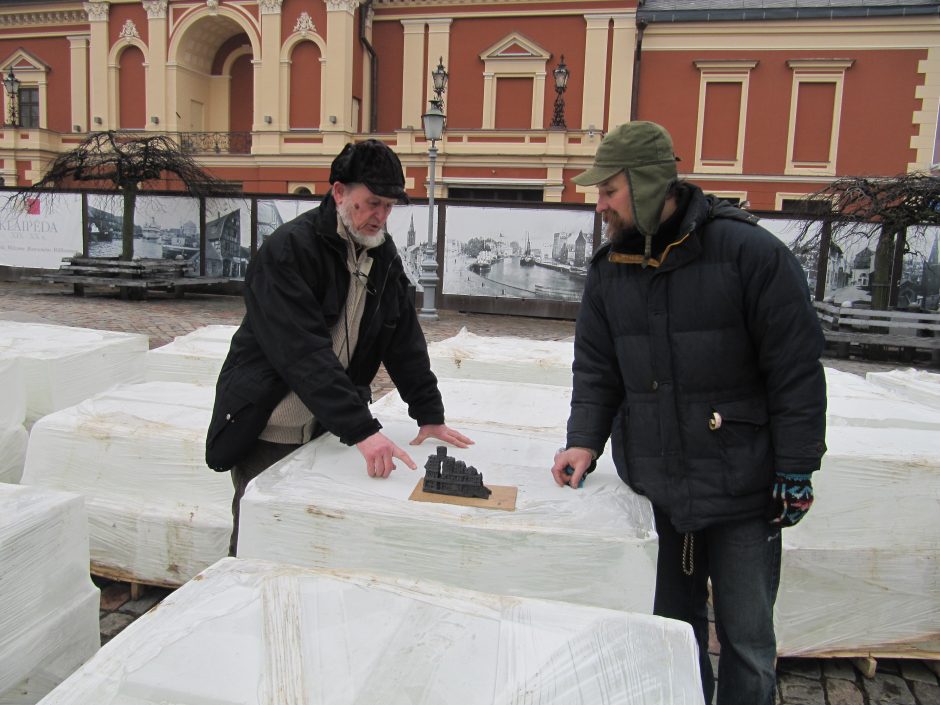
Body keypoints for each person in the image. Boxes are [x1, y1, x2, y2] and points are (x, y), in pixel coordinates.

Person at [551, 121, 826, 705]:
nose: (597, 204)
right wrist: (584, 441)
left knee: (748, 643)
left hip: (743, 489)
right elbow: (598, 369)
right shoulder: (609, 268)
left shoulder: (751, 254)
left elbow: (796, 369)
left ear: (650, 184)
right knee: (673, 637)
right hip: (663, 489)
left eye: (609, 191)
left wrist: (797, 467)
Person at [206, 138, 472, 555]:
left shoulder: (382, 255)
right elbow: (302, 352)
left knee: (317, 539)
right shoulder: (288, 251)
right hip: (271, 427)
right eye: (371, 203)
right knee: (263, 538)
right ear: (339, 192)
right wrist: (363, 430)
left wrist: (429, 414)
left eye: (388, 206)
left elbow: (402, 339)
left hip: (328, 427)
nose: (380, 216)